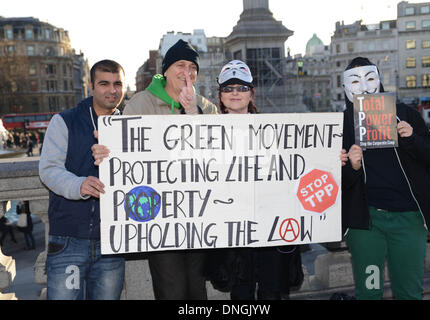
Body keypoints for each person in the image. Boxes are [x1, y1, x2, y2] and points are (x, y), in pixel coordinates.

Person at [92, 40, 218, 300]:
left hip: (198, 214)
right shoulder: (140, 104)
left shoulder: (206, 107)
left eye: (192, 67)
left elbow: (216, 154)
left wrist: (193, 112)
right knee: (171, 289)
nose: (187, 72)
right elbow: (123, 155)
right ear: (166, 71)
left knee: (197, 289)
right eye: (180, 65)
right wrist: (105, 151)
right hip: (158, 216)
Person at [340, 57, 430, 300]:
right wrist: (350, 166)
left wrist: (411, 139)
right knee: (369, 292)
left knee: (409, 292)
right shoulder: (341, 124)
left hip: (409, 220)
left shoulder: (405, 113)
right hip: (366, 226)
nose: (364, 87)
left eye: (370, 78)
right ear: (345, 87)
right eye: (355, 81)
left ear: (379, 79)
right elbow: (333, 183)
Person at [205, 60, 304, 300]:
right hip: (233, 231)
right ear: (220, 95)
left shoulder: (275, 130)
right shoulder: (206, 132)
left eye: (241, 87)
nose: (235, 93)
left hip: (270, 225)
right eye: (228, 88)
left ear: (251, 93)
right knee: (241, 294)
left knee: (273, 292)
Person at [39, 60, 126, 300]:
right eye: (104, 83)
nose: (112, 90)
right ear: (90, 86)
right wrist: (79, 185)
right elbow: (48, 170)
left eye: (118, 83)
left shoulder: (132, 127)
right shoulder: (64, 121)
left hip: (113, 243)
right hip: (68, 239)